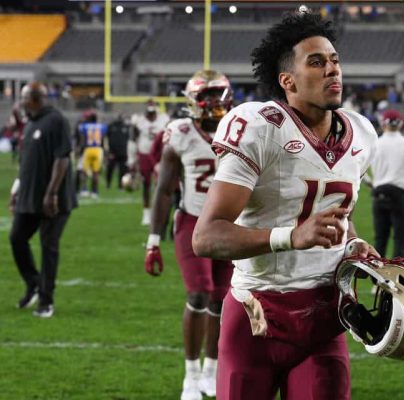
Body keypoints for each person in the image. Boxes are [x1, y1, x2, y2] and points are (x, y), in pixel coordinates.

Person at [191, 11, 378, 400]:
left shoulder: (361, 133)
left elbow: (339, 213)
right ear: (287, 81)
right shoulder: (260, 127)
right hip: (256, 315)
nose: (332, 70)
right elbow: (207, 237)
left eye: (334, 60)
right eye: (316, 62)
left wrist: (353, 246)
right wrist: (290, 237)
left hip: (325, 319)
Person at [145, 70, 235, 400]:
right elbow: (165, 190)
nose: (212, 102)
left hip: (228, 225)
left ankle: (211, 370)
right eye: (205, 95)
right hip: (192, 223)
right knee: (199, 293)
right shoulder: (180, 133)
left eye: (217, 94)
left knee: (221, 300)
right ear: (192, 101)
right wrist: (153, 240)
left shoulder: (240, 131)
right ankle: (190, 374)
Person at [8, 82, 77, 318]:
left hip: (53, 199)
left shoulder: (56, 120)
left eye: (24, 97)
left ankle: (46, 301)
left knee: (48, 247)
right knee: (17, 238)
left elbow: (62, 159)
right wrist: (17, 188)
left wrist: (52, 193)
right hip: (30, 196)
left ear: (36, 98)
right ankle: (34, 284)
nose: (21, 101)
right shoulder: (31, 123)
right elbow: (26, 161)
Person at [366, 109, 404, 258]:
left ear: (383, 123)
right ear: (401, 124)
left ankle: (376, 280)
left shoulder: (374, 144)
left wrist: (371, 183)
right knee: (400, 241)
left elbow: (357, 169)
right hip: (400, 195)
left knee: (380, 241)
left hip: (379, 192)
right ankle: (397, 279)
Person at [131, 100, 169, 225]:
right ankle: (146, 213)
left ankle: (158, 212)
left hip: (159, 155)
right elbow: (133, 139)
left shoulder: (164, 119)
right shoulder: (139, 121)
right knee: (146, 184)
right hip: (145, 154)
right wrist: (132, 159)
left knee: (162, 184)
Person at [77, 111, 107, 198]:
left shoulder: (84, 126)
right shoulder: (102, 126)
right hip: (98, 149)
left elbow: (82, 138)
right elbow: (103, 138)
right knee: (96, 172)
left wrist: (80, 149)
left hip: (88, 148)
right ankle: (95, 191)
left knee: (84, 171)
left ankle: (84, 189)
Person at [105, 113, 130, 190]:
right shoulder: (111, 126)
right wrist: (108, 151)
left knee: (123, 170)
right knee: (110, 169)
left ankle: (121, 185)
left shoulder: (125, 127)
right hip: (113, 152)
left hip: (123, 152)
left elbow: (128, 139)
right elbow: (106, 138)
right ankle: (108, 184)